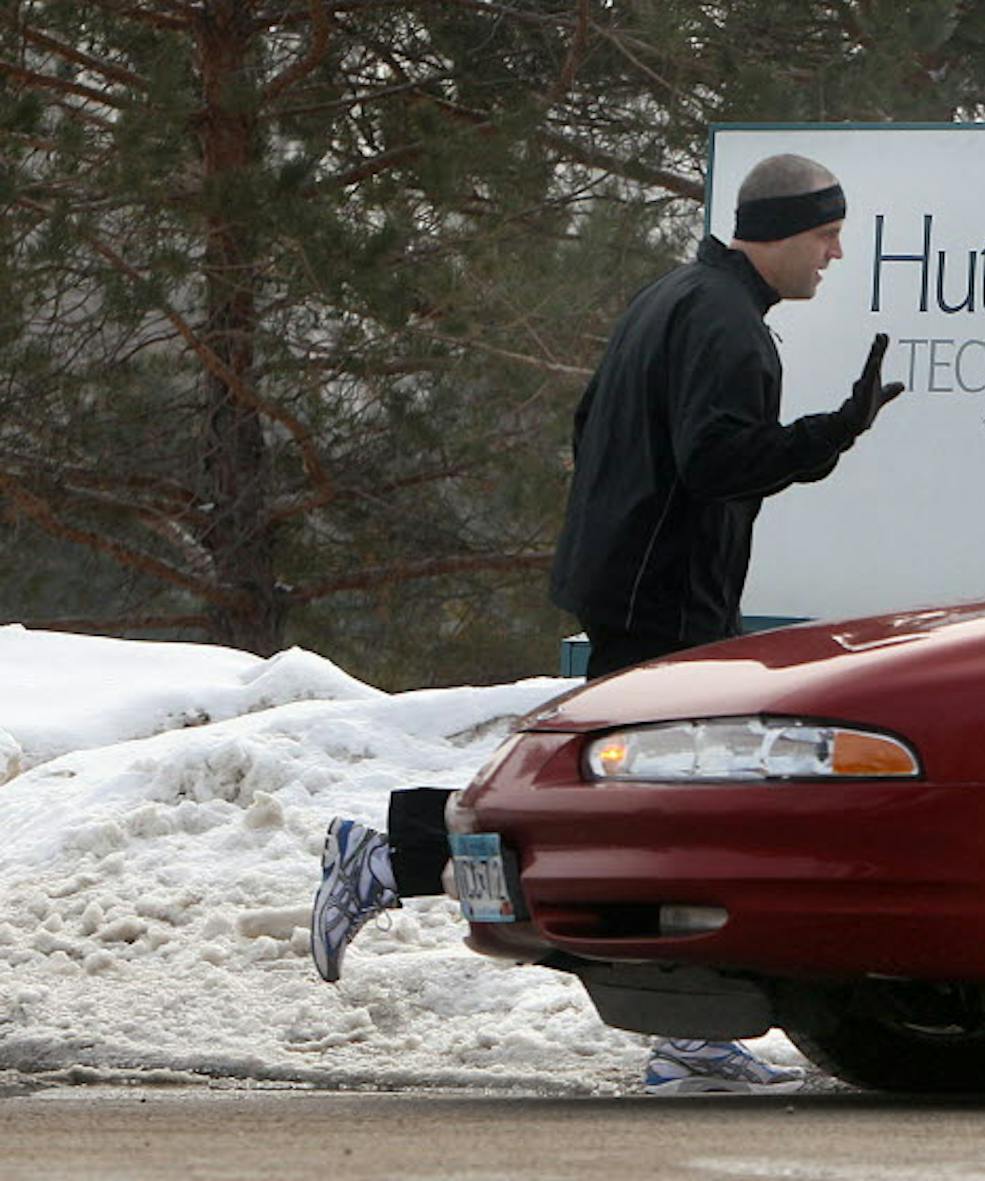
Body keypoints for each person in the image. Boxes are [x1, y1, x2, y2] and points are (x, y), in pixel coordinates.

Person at [309, 153, 904, 1095]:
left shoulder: (670, 297)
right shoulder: (727, 325)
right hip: (664, 600)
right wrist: (832, 432)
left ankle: (400, 853)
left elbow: (594, 426)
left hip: (635, 584)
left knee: (615, 806)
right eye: (827, 233)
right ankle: (682, 1031)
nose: (836, 252)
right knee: (666, 815)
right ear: (787, 229)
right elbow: (715, 463)